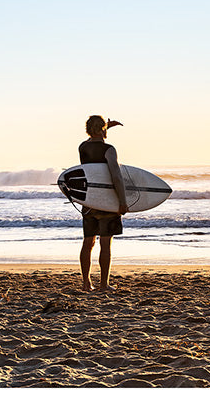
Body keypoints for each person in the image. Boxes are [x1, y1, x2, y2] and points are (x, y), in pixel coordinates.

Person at [78, 114, 128, 292]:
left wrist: (104, 127)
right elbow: (116, 176)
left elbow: (92, 144)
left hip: (89, 201)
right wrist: (122, 201)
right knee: (105, 243)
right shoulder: (110, 150)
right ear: (102, 130)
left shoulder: (82, 148)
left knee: (88, 242)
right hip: (107, 201)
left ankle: (86, 283)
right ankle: (104, 285)